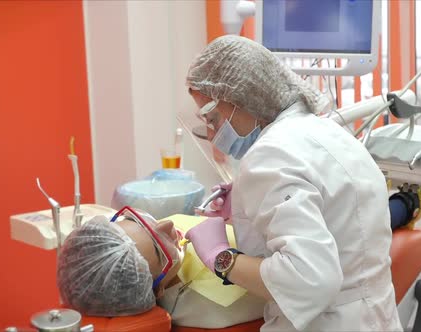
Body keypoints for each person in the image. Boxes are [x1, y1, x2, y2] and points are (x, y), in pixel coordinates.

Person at [184, 35, 403, 331]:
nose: (211, 134)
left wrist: (222, 257)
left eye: (213, 117)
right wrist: (245, 211)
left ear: (241, 98)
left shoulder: (269, 155)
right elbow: (335, 218)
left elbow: (310, 278)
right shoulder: (326, 130)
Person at [56, 208, 265, 328]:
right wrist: (223, 258)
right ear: (158, 290)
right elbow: (290, 279)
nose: (167, 225)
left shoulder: (164, 248)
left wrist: (239, 212)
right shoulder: (214, 305)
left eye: (134, 219)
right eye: (159, 250)